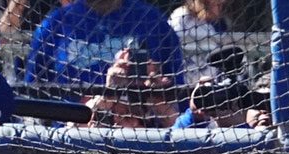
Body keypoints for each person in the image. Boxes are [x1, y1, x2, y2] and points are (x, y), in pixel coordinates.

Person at [24, 0, 185, 100]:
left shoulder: (152, 20)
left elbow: (177, 89)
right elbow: (32, 90)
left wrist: (156, 88)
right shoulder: (55, 24)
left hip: (141, 133)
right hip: (71, 133)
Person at [168, 0, 232, 84]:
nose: (220, 9)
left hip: (209, 85)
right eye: (218, 5)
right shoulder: (181, 17)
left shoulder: (212, 25)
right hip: (185, 84)